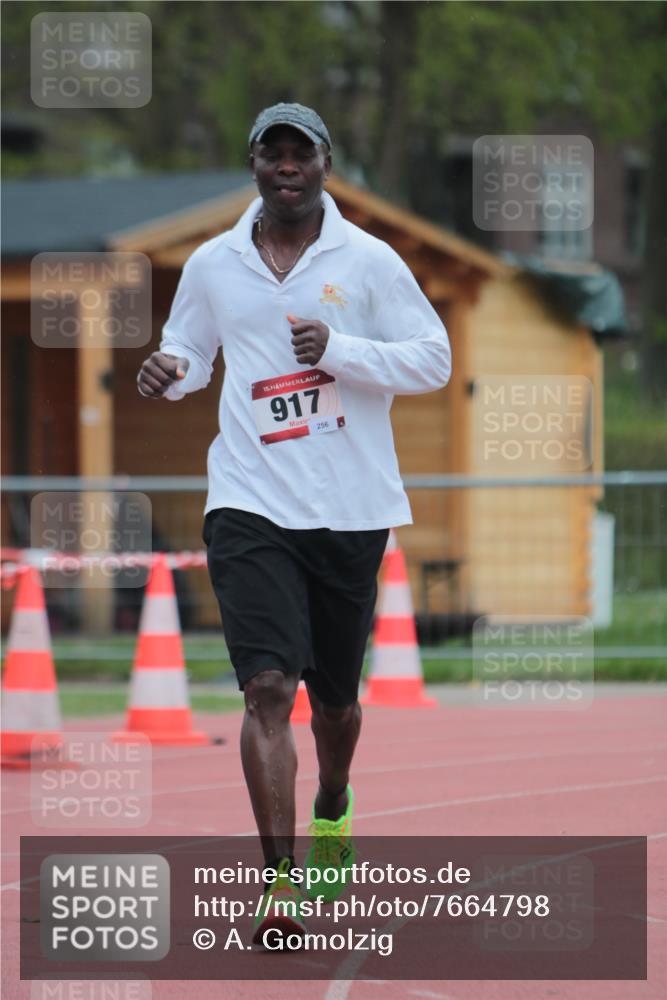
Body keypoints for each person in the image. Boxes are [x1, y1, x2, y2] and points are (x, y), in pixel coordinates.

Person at [136, 102, 451, 945]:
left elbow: (433, 358)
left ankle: (333, 802)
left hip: (348, 507)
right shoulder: (214, 263)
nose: (285, 166)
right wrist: (168, 371)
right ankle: (280, 884)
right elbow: (190, 353)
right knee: (268, 688)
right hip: (249, 498)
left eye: (299, 153)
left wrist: (339, 349)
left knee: (334, 703)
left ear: (323, 164)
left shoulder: (370, 261)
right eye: (271, 153)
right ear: (253, 164)